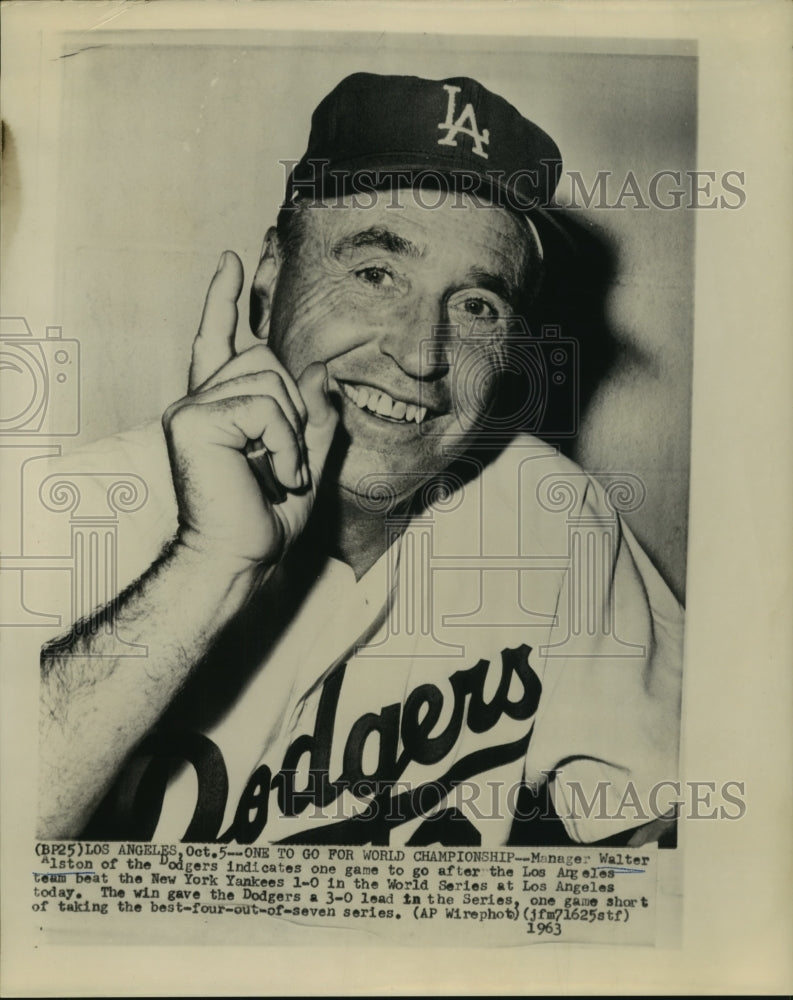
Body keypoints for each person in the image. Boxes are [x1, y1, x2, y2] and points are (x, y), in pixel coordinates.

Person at [38, 73, 683, 847]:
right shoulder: (65, 513)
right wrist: (208, 566)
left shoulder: (553, 516)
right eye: (375, 274)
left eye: (477, 304)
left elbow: (677, 846)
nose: (421, 354)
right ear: (272, 271)